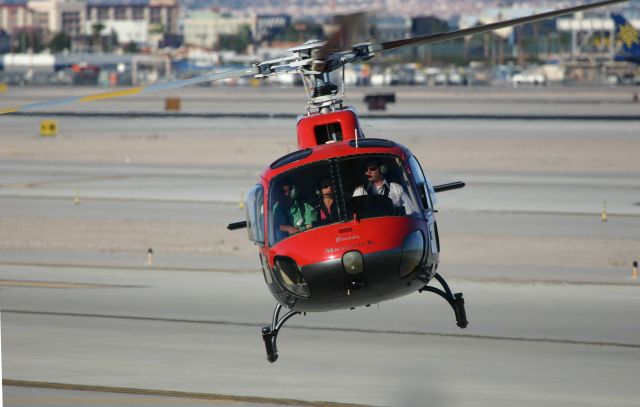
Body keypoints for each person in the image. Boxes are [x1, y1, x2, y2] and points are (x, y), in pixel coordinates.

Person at [352, 159, 417, 215]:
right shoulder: (360, 191)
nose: (368, 172)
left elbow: (410, 213)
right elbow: (354, 215)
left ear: (381, 169)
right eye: (366, 170)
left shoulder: (397, 188)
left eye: (372, 169)